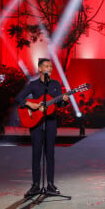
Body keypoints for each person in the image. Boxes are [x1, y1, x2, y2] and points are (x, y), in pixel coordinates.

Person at [15, 58, 69, 197]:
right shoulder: (33, 85)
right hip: (37, 123)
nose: (49, 68)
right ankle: (35, 185)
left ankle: (50, 184)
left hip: (51, 122)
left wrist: (64, 101)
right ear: (39, 69)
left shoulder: (56, 84)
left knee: (50, 154)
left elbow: (59, 104)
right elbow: (19, 97)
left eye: (51, 66)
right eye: (46, 66)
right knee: (36, 154)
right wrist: (29, 104)